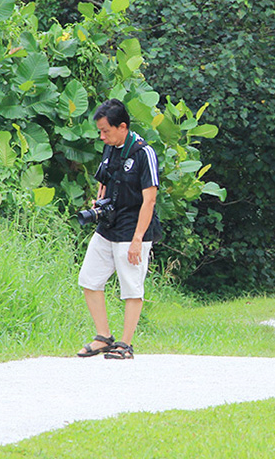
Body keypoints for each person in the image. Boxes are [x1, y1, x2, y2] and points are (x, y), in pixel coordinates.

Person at [76, 98, 161, 360]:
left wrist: (137, 240)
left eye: (105, 131)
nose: (102, 136)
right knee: (89, 280)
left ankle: (126, 344)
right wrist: (99, 201)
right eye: (100, 131)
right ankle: (104, 337)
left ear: (122, 126)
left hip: (133, 229)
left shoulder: (143, 153)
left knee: (131, 287)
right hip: (107, 227)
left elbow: (150, 199)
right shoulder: (110, 148)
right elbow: (104, 180)